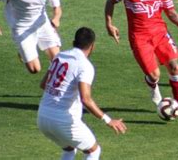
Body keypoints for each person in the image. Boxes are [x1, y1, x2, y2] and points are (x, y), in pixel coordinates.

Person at [38, 27, 127, 160]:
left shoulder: (59, 56)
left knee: (69, 149)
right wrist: (108, 120)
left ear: (74, 42)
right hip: (63, 120)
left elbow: (43, 84)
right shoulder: (84, 65)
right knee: (93, 151)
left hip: (43, 117)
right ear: (92, 46)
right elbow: (86, 99)